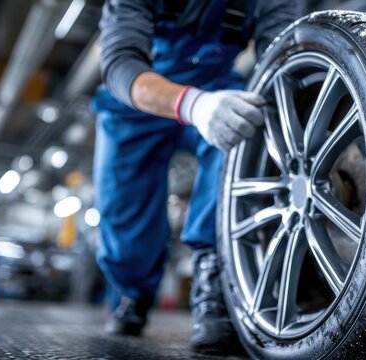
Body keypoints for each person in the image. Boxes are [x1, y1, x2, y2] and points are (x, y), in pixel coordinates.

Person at [92, 0, 297, 353]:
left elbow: (281, 56)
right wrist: (194, 104)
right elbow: (120, 64)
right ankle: (132, 292)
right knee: (123, 215)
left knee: (238, 136)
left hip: (217, 87)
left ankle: (214, 283)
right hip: (136, 101)